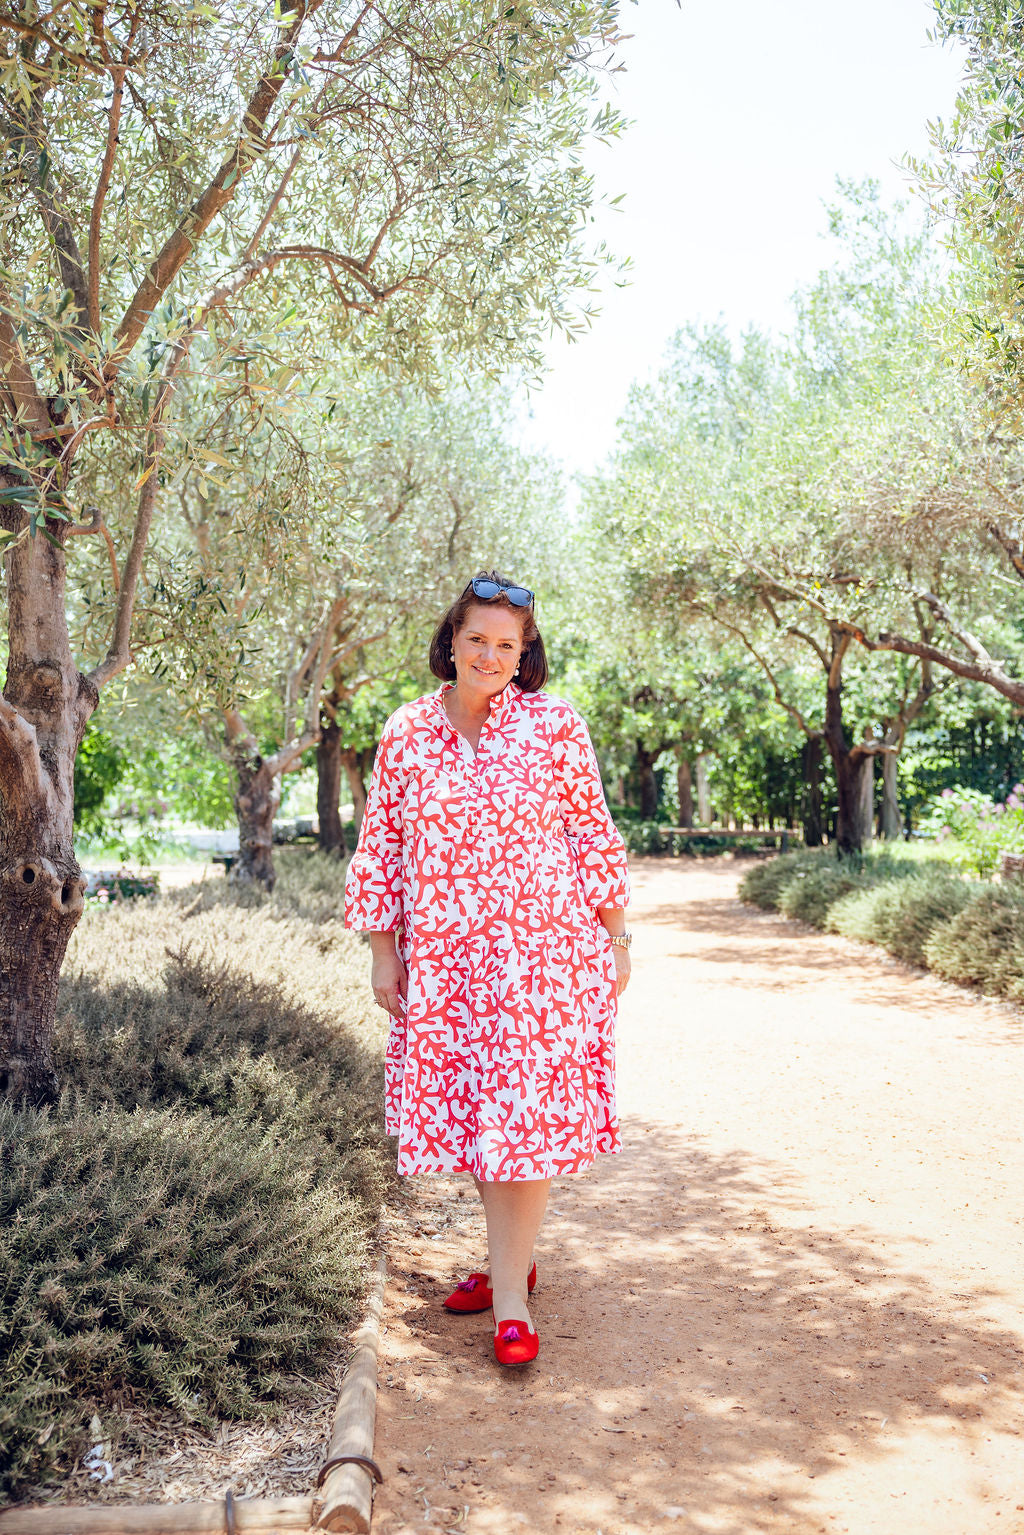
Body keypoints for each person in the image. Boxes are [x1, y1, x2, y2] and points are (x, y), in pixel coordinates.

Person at [344, 571, 631, 1368]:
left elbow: (590, 832)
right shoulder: (406, 731)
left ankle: (509, 1299)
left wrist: (617, 936)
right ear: (453, 639)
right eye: (478, 638)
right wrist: (382, 949)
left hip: (541, 958)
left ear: (525, 651)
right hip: (446, 962)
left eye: (509, 643)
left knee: (524, 1121)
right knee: (478, 1114)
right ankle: (516, 1256)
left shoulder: (554, 725)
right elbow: (383, 846)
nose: (492, 654)